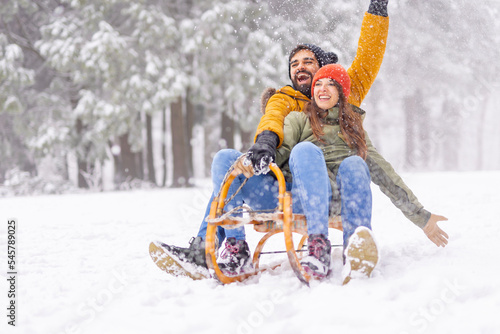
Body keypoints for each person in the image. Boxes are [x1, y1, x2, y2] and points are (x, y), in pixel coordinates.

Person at [152, 0, 393, 277]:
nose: (299, 67)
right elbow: (272, 118)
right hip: (282, 193)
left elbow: (368, 56)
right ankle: (230, 248)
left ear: (324, 68)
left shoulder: (343, 93)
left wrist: (377, 11)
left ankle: (354, 247)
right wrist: (265, 141)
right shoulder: (284, 98)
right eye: (294, 64)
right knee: (227, 161)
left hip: (327, 191)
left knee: (327, 158)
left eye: (308, 62)